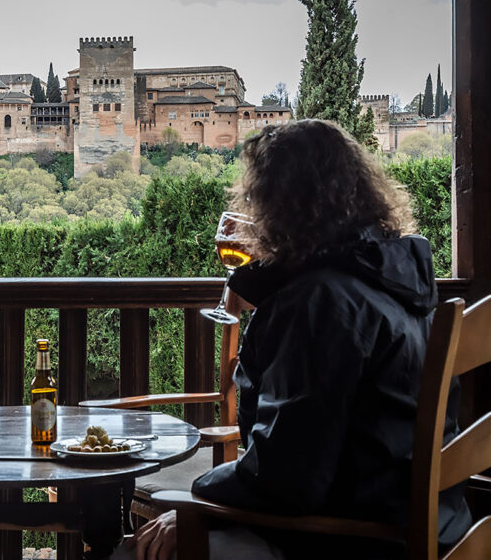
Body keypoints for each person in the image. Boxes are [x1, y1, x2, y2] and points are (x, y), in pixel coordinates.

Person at [127, 119, 470, 560]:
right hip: (430, 525)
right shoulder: (394, 285)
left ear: (279, 205)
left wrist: (196, 506)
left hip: (356, 539)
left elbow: (285, 479)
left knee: (138, 551)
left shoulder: (321, 304)